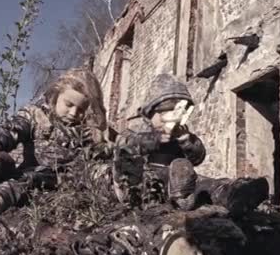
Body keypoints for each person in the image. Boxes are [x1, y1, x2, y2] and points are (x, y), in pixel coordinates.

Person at [0, 68, 112, 223]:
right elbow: (14, 127)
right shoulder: (37, 115)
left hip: (53, 182)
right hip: (21, 170)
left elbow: (97, 160)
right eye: (69, 104)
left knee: (25, 183)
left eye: (81, 110)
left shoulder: (89, 133)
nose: (74, 113)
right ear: (57, 96)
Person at [112, 73, 269, 215]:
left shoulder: (180, 132)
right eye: (163, 113)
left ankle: (233, 194)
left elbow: (198, 158)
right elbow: (124, 147)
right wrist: (154, 139)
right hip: (143, 184)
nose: (169, 119)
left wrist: (186, 140)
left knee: (206, 183)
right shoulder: (136, 130)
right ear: (150, 112)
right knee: (175, 176)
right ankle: (180, 199)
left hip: (182, 180)